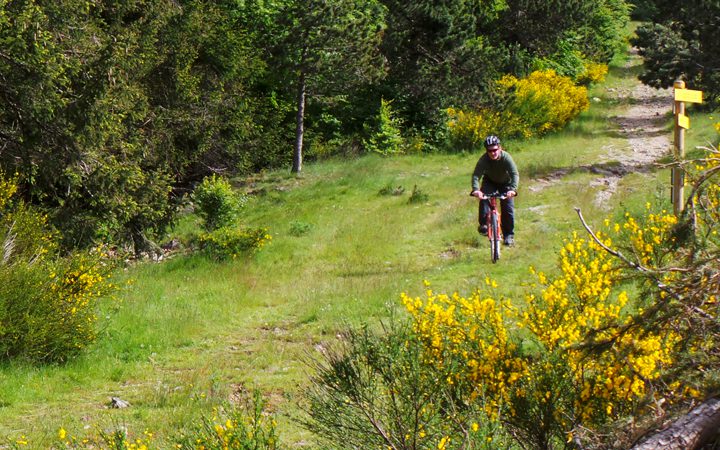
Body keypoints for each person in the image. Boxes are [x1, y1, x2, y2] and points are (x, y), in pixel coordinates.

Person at [470, 135, 519, 246]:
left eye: (495, 150)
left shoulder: (506, 157)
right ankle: (484, 225)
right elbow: (476, 175)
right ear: (487, 151)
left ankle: (508, 236)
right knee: (484, 197)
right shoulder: (484, 160)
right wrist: (476, 190)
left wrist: (513, 189)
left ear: (499, 148)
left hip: (506, 183)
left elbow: (514, 174)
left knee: (508, 208)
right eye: (489, 150)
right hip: (490, 182)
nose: (493, 153)